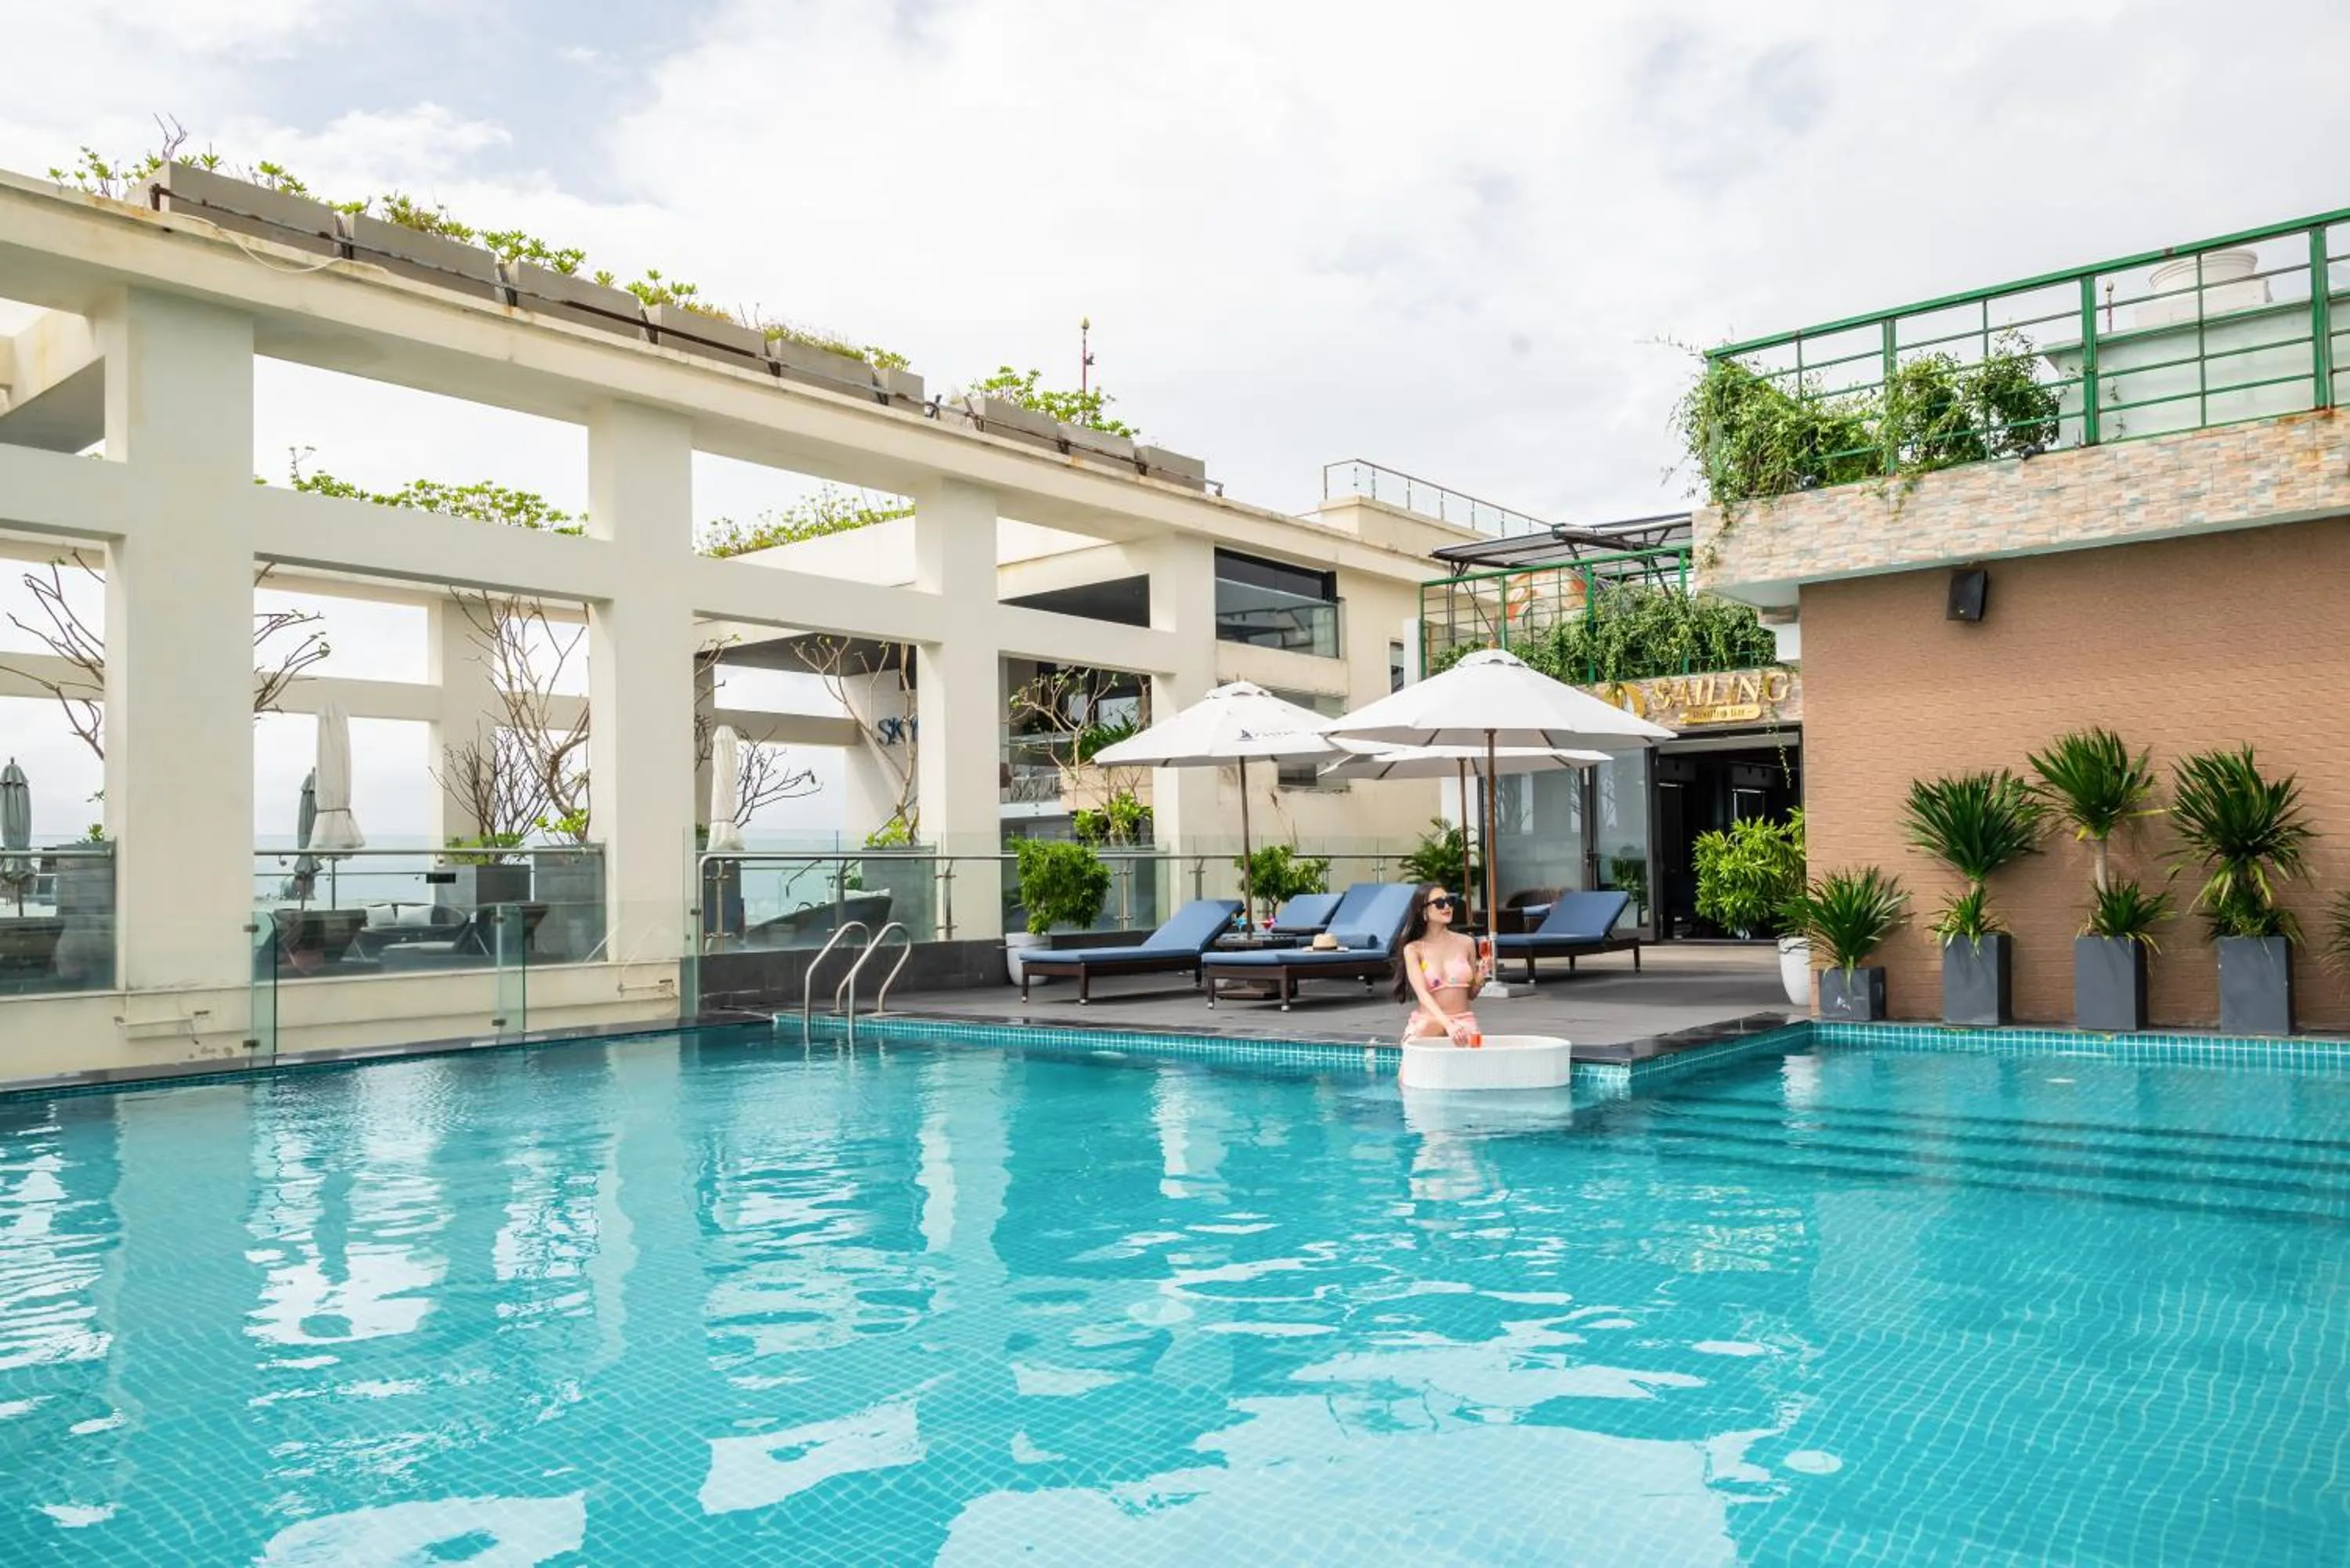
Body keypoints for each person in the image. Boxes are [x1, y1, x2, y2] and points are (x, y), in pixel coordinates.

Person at [1392, 883, 1491, 1046]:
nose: (1447, 906)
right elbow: (1423, 994)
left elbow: (1470, 995)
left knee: (1473, 1055)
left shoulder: (1466, 943)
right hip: (1430, 1020)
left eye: (1449, 901)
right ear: (1423, 911)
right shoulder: (1413, 949)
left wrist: (1481, 975)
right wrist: (1448, 1024)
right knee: (1423, 1031)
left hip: (1463, 1019)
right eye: (1439, 903)